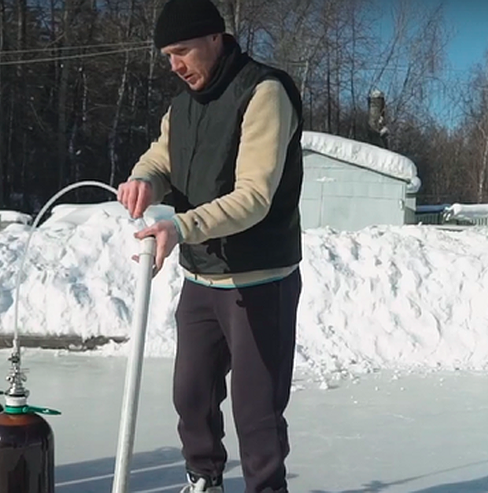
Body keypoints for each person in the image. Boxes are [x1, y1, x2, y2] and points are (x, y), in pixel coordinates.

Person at [116, 0, 304, 491]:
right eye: (168, 56)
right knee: (192, 396)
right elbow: (160, 159)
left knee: (256, 411)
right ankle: (204, 480)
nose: (176, 66)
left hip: (260, 280)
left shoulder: (264, 92)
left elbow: (254, 197)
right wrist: (143, 180)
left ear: (215, 38)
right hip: (201, 277)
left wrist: (180, 226)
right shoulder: (183, 107)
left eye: (182, 51)